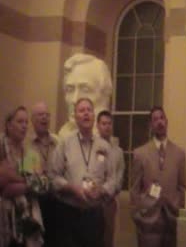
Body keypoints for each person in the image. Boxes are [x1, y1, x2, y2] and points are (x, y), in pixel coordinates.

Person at [49, 98, 116, 247]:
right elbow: (53, 177)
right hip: (69, 213)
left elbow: (112, 179)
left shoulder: (104, 146)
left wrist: (101, 190)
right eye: (82, 110)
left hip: (94, 215)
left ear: (93, 115)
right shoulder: (65, 143)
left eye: (89, 110)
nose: (86, 113)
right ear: (75, 116)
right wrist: (72, 188)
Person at [130, 106, 186, 247]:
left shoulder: (179, 153)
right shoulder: (140, 154)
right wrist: (138, 214)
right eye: (155, 119)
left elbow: (182, 187)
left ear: (166, 121)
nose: (159, 122)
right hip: (148, 221)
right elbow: (134, 189)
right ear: (151, 125)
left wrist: (178, 206)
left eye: (162, 118)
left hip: (172, 219)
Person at [0, 106, 48, 247]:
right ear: (8, 125)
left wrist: (17, 180)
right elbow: (2, 183)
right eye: (20, 122)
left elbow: (43, 185)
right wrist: (28, 182)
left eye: (26, 122)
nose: (24, 126)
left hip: (28, 218)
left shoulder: (30, 153)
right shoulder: (1, 147)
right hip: (4, 217)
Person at [58, 53, 113, 140]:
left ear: (104, 94)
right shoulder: (61, 141)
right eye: (70, 89)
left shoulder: (107, 146)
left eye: (85, 90)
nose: (75, 100)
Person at [29, 102, 59, 247]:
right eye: (41, 115)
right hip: (37, 202)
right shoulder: (27, 145)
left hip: (57, 201)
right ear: (33, 119)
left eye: (47, 115)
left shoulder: (58, 142)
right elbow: (27, 174)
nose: (44, 118)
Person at [96, 110, 125, 247]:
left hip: (111, 200)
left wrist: (113, 191)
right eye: (103, 123)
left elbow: (120, 173)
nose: (107, 126)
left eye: (109, 123)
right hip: (95, 199)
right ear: (98, 125)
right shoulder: (93, 146)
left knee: (109, 237)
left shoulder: (118, 151)